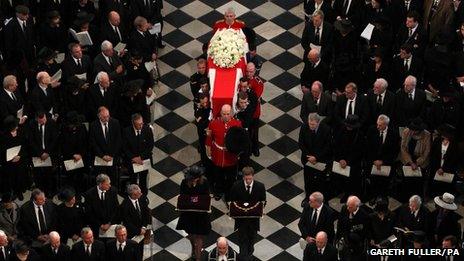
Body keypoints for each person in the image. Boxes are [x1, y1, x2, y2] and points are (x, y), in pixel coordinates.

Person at [205, 104, 242, 201]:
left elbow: (240, 140)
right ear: (221, 113)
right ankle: (218, 191)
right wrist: (208, 152)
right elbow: (209, 138)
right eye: (224, 114)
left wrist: (237, 152)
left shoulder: (237, 124)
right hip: (218, 155)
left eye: (228, 114)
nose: (226, 116)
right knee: (218, 176)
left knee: (231, 178)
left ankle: (229, 194)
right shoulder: (213, 124)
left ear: (231, 114)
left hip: (231, 156)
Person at [229, 167, 266, 261]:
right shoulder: (236, 186)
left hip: (254, 220)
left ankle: (248, 255)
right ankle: (245, 258)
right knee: (242, 241)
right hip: (241, 220)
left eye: (250, 178)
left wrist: (259, 208)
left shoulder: (260, 186)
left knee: (251, 240)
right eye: (246, 179)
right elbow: (231, 200)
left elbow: (263, 201)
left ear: (253, 176)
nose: (248, 181)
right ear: (243, 177)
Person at [176, 165, 211, 261]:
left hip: (200, 214)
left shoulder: (205, 182)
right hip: (188, 214)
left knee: (199, 236)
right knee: (191, 235)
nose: (194, 180)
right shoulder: (184, 182)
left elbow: (206, 197)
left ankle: (198, 258)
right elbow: (182, 196)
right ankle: (193, 248)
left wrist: (195, 200)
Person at [365, 114, 400, 200]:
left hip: (386, 163)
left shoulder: (394, 134)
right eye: (377, 124)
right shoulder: (371, 130)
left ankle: (382, 197)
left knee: (384, 182)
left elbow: (394, 151)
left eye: (380, 125)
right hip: (373, 162)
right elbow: (367, 148)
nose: (377, 127)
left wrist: (383, 161)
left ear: (386, 125)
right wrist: (374, 161)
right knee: (373, 181)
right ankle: (373, 196)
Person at [298, 113, 332, 198]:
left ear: (318, 123)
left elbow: (327, 147)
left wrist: (316, 157)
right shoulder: (304, 127)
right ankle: (308, 197)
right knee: (308, 180)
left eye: (313, 124)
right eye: (310, 123)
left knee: (320, 181)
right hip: (308, 159)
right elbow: (301, 143)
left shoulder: (326, 129)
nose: (311, 126)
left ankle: (320, 198)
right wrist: (309, 157)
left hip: (320, 160)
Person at [28, 111, 59, 197]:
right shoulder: (32, 124)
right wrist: (40, 153)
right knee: (38, 175)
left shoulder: (51, 123)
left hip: (49, 153)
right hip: (37, 154)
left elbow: (54, 139)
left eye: (44, 119)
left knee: (49, 174)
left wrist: (47, 152)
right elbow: (31, 141)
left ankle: (49, 191)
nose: (43, 122)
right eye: (41, 121)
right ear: (36, 119)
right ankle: (39, 192)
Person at [122, 113, 154, 194]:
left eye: (142, 123)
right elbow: (125, 148)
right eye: (139, 124)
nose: (141, 125)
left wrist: (140, 158)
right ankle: (133, 196)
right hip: (132, 161)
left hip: (144, 160)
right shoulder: (126, 131)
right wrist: (134, 158)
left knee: (143, 180)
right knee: (133, 181)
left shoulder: (147, 129)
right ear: (133, 123)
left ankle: (143, 196)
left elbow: (150, 146)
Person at [399, 117, 431, 199]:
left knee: (417, 182)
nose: (412, 132)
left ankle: (417, 198)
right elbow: (403, 148)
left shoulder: (427, 135)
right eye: (411, 129)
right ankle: (405, 197)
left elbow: (426, 153)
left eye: (415, 130)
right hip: (407, 159)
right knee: (406, 180)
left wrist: (417, 163)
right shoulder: (406, 131)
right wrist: (411, 162)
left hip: (421, 161)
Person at [0, 116, 30, 200]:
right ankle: (10, 193)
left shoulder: (21, 131)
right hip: (9, 162)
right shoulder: (3, 135)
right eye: (15, 125)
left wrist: (20, 155)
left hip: (20, 159)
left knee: (20, 175)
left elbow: (25, 145)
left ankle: (19, 191)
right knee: (10, 177)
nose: (17, 126)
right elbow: (2, 150)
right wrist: (10, 158)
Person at [88, 106, 122, 180]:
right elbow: (93, 143)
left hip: (112, 157)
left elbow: (118, 141)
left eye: (108, 116)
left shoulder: (115, 123)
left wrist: (111, 155)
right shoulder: (93, 125)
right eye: (104, 117)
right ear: (99, 116)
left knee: (112, 179)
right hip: (99, 158)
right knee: (101, 180)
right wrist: (102, 156)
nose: (107, 119)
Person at [82, 174, 119, 239]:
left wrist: (109, 223)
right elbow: (89, 213)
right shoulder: (89, 194)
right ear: (100, 184)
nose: (109, 186)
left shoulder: (113, 191)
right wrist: (100, 225)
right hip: (96, 226)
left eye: (109, 183)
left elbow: (116, 209)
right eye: (107, 184)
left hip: (110, 225)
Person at [245, 62, 263, 157]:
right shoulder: (243, 80)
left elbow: (255, 98)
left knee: (255, 131)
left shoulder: (258, 82)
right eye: (247, 71)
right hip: (245, 112)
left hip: (254, 111)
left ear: (255, 71)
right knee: (246, 131)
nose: (248, 74)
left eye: (251, 72)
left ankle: (255, 148)